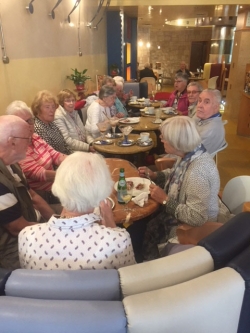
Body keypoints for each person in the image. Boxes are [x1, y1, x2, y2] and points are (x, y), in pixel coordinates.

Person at [19, 152, 136, 270]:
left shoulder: (27, 236)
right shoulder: (118, 241)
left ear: (58, 184)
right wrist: (111, 224)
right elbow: (128, 279)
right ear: (103, 190)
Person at [138, 116, 221, 260]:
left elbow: (197, 217)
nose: (161, 140)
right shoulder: (190, 153)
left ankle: (150, 264)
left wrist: (165, 200)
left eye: (164, 138)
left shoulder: (197, 172)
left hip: (194, 229)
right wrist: (155, 175)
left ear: (177, 142)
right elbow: (175, 173)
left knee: (148, 226)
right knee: (145, 219)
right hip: (183, 210)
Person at [0, 115, 54, 269]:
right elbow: (17, 228)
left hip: (34, 223)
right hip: (14, 247)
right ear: (12, 142)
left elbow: (34, 196)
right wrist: (57, 234)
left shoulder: (12, 164)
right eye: (27, 139)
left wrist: (56, 221)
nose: (30, 143)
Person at [6, 101, 67, 201]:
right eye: (22, 122)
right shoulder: (16, 148)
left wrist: (76, 161)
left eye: (30, 120)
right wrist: (70, 173)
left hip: (57, 185)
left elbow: (55, 155)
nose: (28, 125)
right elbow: (40, 174)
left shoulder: (34, 136)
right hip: (45, 195)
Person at [32, 90, 72, 155]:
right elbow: (51, 155)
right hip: (58, 162)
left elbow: (65, 144)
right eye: (47, 107)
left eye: (53, 107)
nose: (52, 110)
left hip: (65, 158)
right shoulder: (38, 128)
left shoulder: (51, 123)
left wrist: (71, 156)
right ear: (38, 109)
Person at [194, 89, 226, 155]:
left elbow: (192, 154)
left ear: (216, 107)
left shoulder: (211, 129)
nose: (200, 105)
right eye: (199, 101)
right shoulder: (203, 116)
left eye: (206, 102)